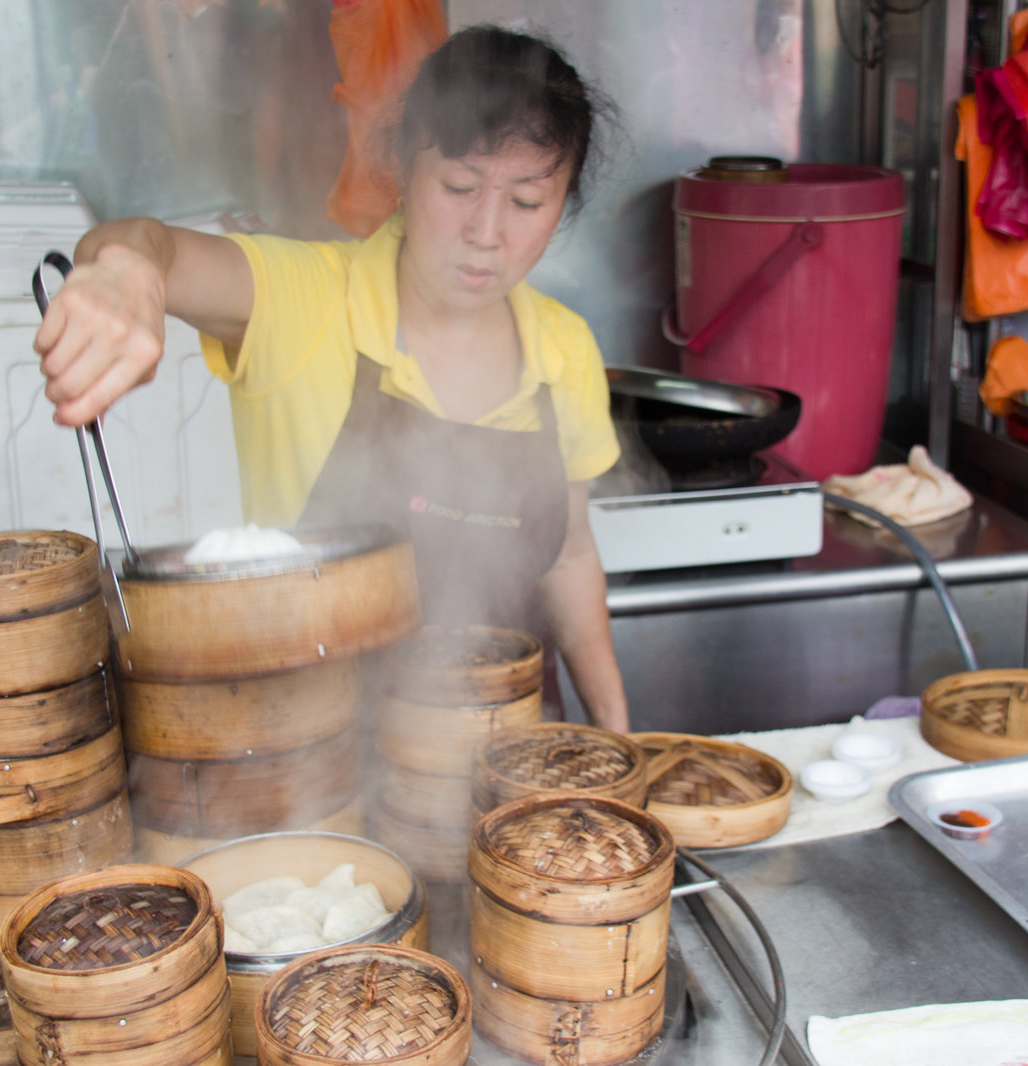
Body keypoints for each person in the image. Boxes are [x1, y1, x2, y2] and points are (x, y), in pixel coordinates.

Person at [35, 26, 630, 731]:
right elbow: (150, 247)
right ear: (405, 172)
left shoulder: (563, 347)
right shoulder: (309, 301)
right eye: (460, 186)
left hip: (522, 773)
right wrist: (125, 271)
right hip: (323, 767)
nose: (487, 231)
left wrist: (620, 738)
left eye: (528, 203)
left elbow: (569, 556)